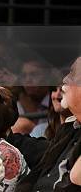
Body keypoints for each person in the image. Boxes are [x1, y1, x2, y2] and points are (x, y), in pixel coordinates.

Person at [17, 56, 81, 192]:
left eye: (72, 74)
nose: (64, 81)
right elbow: (37, 173)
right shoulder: (68, 129)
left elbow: (74, 179)